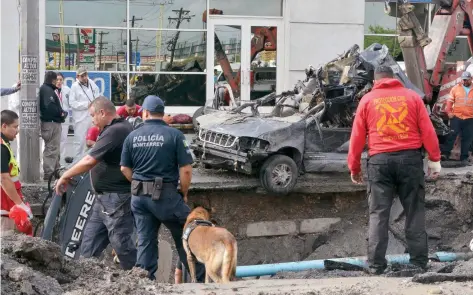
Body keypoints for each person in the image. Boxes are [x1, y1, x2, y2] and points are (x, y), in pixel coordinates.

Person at [348, 66, 442, 275]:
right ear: (395, 79)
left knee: (378, 214)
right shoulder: (412, 98)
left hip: (379, 163)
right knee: (414, 212)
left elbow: (356, 138)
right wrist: (434, 160)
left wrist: (354, 168)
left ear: (376, 81)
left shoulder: (368, 100)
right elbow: (428, 131)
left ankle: (376, 265)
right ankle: (418, 262)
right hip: (410, 161)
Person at [120, 95, 205, 281]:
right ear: (162, 114)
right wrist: (184, 192)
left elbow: (124, 168)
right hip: (165, 196)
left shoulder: (132, 136)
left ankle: (144, 284)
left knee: (145, 241)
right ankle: (202, 281)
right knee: (188, 234)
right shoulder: (174, 135)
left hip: (139, 198)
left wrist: (138, 181)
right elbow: (186, 171)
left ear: (145, 113)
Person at [56, 97, 136, 270]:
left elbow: (89, 161)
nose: (92, 120)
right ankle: (85, 276)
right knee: (89, 242)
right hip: (102, 200)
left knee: (121, 243)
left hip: (116, 199)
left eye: (93, 115)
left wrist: (65, 175)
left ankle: (139, 278)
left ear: (102, 112)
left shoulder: (116, 130)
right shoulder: (114, 128)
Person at [1, 110, 33, 235]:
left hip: (8, 202)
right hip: (5, 205)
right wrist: (19, 204)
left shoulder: (4, 144)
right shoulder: (1, 147)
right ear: (4, 126)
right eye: (15, 127)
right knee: (5, 240)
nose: (17, 130)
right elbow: (4, 179)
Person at [440, 71, 473, 167]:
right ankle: (445, 154)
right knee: (452, 135)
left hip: (470, 118)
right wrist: (449, 112)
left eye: (466, 80)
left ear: (471, 79)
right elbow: (449, 102)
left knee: (467, 138)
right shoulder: (456, 89)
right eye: (463, 79)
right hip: (457, 117)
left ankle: (464, 158)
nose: (464, 81)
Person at [39, 71, 67, 180]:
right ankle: (49, 174)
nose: (57, 82)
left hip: (51, 122)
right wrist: (60, 114)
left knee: (54, 148)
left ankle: (55, 171)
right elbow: (49, 107)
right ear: (53, 80)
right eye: (56, 79)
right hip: (51, 123)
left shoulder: (48, 89)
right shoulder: (47, 90)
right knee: (51, 149)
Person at [69, 66, 100, 160]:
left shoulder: (92, 83)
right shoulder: (74, 86)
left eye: (85, 75)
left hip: (92, 116)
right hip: (80, 118)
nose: (84, 77)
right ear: (77, 77)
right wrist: (86, 104)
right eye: (82, 76)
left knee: (92, 139)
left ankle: (90, 159)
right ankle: (77, 161)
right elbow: (72, 103)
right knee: (80, 141)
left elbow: (97, 94)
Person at [56, 73, 72, 163]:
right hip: (54, 118)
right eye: (57, 79)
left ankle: (60, 162)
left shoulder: (67, 90)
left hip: (64, 118)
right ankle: (49, 162)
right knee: (52, 140)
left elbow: (71, 103)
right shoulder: (51, 90)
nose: (59, 82)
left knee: (63, 139)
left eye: (60, 80)